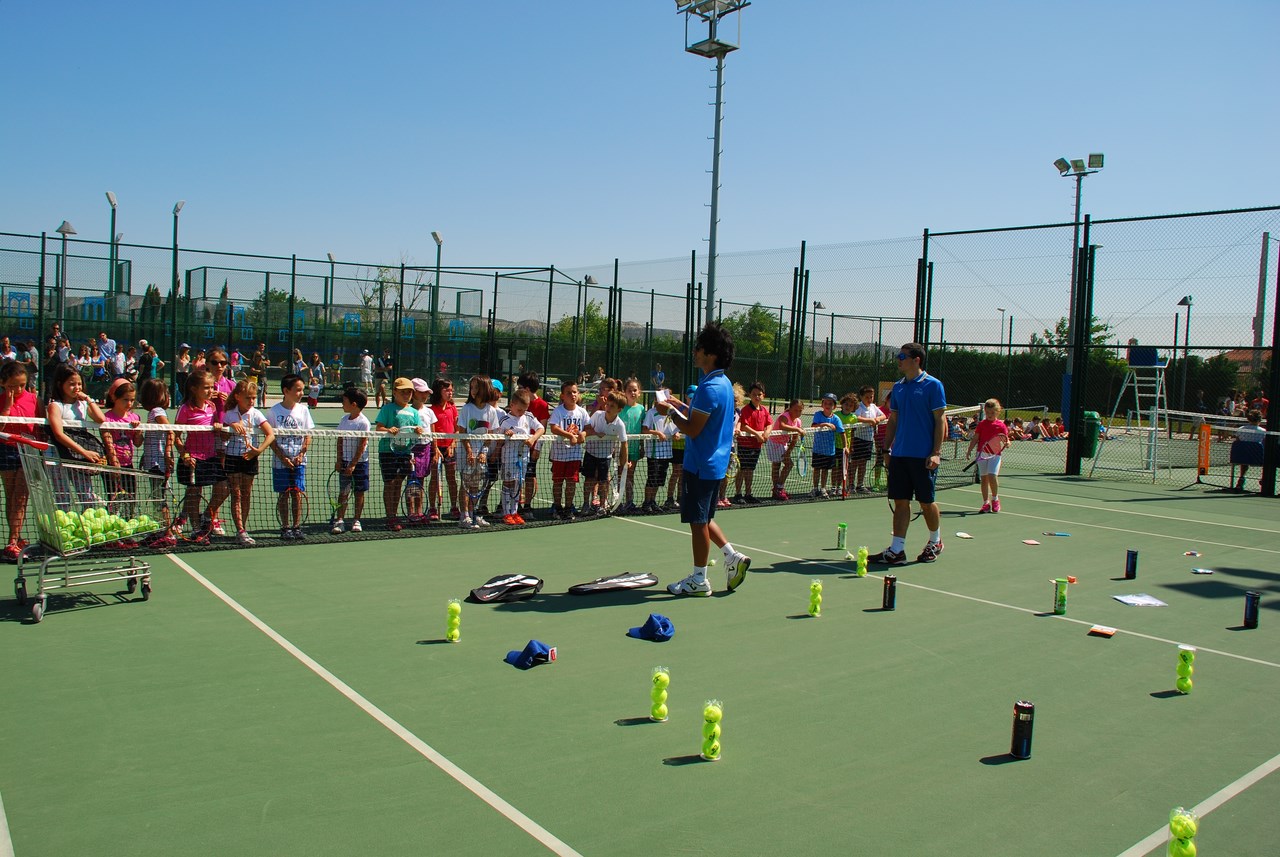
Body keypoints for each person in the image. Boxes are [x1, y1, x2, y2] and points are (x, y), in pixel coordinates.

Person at [658, 323, 751, 597]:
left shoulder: (709, 387)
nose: (694, 352)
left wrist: (668, 412)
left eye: (698, 348)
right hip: (713, 465)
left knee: (698, 523)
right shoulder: (722, 384)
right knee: (705, 517)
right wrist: (679, 405)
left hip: (700, 465)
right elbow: (702, 416)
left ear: (711, 354)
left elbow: (693, 429)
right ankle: (732, 556)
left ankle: (699, 580)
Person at [871, 342, 947, 566]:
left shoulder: (933, 385)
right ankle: (897, 550)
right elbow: (893, 420)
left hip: (923, 456)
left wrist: (936, 452)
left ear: (916, 360)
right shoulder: (898, 387)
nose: (898, 359)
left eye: (902, 356)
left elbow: (940, 420)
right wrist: (886, 449)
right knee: (901, 501)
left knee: (926, 502)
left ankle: (935, 542)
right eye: (898, 356)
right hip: (900, 455)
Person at [46, 363, 108, 508]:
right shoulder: (55, 406)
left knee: (86, 495)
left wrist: (88, 399)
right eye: (72, 384)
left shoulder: (83, 405)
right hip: (57, 455)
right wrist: (84, 452)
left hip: (78, 458)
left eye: (79, 384)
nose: (77, 387)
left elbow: (101, 419)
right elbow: (59, 434)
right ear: (60, 384)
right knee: (62, 496)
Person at [173, 370, 226, 545]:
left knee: (224, 487)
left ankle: (206, 516)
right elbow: (175, 436)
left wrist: (218, 425)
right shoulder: (185, 409)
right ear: (194, 389)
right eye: (206, 388)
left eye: (212, 387)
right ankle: (197, 529)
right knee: (194, 494)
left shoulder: (212, 406)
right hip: (193, 458)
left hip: (211, 457)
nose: (210, 391)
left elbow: (217, 426)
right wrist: (185, 455)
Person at [222, 380, 275, 545]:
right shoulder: (229, 414)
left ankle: (243, 528)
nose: (251, 401)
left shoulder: (257, 414)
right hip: (232, 457)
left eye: (253, 397)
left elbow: (270, 434)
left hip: (250, 457)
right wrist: (231, 426)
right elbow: (223, 437)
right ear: (237, 397)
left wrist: (258, 450)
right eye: (248, 398)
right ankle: (240, 530)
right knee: (236, 494)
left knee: (246, 493)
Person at [268, 374, 315, 541]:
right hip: (280, 463)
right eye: (298, 390)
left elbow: (308, 435)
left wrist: (301, 454)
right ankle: (285, 527)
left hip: (299, 462)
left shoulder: (304, 410)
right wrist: (282, 457)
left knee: (297, 493)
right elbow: (270, 438)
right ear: (286, 391)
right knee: (283, 495)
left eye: (302, 390)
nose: (301, 393)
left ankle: (296, 526)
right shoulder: (273, 411)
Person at [0, 360, 37, 560]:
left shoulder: (34, 400)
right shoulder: (1, 400)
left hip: (28, 451)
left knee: (21, 496)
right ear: (3, 383)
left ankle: (12, 541)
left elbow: (39, 428)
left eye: (22, 385)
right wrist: (7, 407)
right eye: (13, 386)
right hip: (5, 450)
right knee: (11, 495)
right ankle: (16, 538)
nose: (18, 389)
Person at [375, 377, 422, 532]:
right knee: (389, 483)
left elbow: (418, 429)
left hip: (405, 453)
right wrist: (388, 430)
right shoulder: (387, 409)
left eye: (409, 392)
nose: (406, 395)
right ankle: (390, 516)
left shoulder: (414, 412)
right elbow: (379, 428)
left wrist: (419, 430)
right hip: (387, 451)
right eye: (403, 392)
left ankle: (394, 515)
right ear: (394, 392)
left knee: (398, 483)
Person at [101, 379, 142, 546]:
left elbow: (138, 443)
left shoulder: (134, 417)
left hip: (129, 466)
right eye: (125, 400)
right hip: (112, 466)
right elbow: (107, 440)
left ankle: (126, 533)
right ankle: (112, 535)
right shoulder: (107, 417)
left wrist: (138, 431)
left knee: (130, 500)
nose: (129, 404)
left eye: (132, 400)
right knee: (114, 502)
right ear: (114, 398)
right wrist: (114, 461)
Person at [137, 378, 177, 549]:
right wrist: (144, 456)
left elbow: (170, 431)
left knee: (159, 498)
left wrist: (167, 452)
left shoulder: (157, 412)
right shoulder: (153, 413)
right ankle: (162, 529)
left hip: (158, 463)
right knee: (157, 497)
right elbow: (153, 439)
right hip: (152, 461)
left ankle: (168, 533)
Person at [494, 389, 545, 526]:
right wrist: (505, 433)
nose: (522, 412)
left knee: (518, 484)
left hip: (523, 458)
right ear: (512, 405)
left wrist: (533, 438)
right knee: (508, 483)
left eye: (524, 409)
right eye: (519, 410)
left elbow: (541, 429)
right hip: (509, 457)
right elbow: (498, 438)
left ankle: (515, 512)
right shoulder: (504, 420)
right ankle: (506, 513)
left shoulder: (528, 416)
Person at [458, 375, 502, 530]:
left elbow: (490, 436)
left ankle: (474, 513)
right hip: (466, 452)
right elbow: (462, 432)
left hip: (481, 454)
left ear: (485, 388)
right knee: (465, 484)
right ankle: (464, 516)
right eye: (472, 387)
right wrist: (469, 451)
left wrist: (483, 452)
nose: (473, 390)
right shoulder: (467, 409)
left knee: (475, 485)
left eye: (476, 387)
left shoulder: (491, 411)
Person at [546, 380, 588, 520]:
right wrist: (570, 435)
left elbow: (589, 427)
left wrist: (583, 434)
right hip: (559, 454)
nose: (572, 395)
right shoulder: (558, 411)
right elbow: (554, 428)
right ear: (562, 396)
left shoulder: (582, 412)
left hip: (574, 455)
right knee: (558, 482)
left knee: (571, 482)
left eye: (574, 392)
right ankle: (557, 508)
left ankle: (568, 508)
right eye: (569, 393)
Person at [331, 387, 370, 535]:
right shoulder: (343, 420)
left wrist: (353, 464)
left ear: (353, 404)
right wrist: (339, 460)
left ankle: (356, 520)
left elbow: (362, 445)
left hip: (360, 463)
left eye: (344, 401)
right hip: (345, 462)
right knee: (344, 492)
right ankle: (340, 520)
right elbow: (340, 440)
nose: (342, 403)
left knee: (359, 492)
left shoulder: (363, 422)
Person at [967, 399, 1010, 513]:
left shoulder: (1001, 425)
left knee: (992, 476)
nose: (990, 415)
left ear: (997, 412)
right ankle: (986, 503)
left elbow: (1005, 439)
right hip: (982, 453)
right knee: (984, 479)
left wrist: (1007, 443)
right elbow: (976, 438)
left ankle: (995, 499)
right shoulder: (982, 424)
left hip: (995, 455)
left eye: (992, 413)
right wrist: (969, 450)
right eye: (987, 413)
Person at [517, 372, 551, 516]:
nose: (518, 390)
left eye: (520, 387)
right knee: (516, 476)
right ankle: (514, 504)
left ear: (527, 389)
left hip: (532, 448)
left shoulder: (542, 405)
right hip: (516, 448)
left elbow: (542, 428)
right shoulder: (518, 401)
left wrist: (537, 448)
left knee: (530, 477)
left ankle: (527, 506)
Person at [405, 378, 438, 525]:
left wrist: (435, 450)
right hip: (411, 449)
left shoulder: (429, 412)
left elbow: (433, 433)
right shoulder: (407, 411)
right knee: (411, 482)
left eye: (426, 393)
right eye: (421, 392)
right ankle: (411, 512)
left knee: (421, 481)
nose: (425, 395)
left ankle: (419, 512)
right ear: (413, 393)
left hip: (426, 448)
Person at [640, 388, 677, 514]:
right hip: (654, 453)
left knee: (659, 480)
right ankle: (646, 503)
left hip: (666, 453)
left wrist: (676, 433)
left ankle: (653, 501)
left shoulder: (671, 412)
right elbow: (645, 430)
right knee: (652, 479)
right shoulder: (651, 413)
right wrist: (658, 433)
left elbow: (675, 428)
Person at [733, 381, 770, 504]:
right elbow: (744, 426)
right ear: (750, 395)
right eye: (754, 394)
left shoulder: (764, 410)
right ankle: (738, 494)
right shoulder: (746, 410)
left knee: (750, 470)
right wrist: (757, 434)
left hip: (756, 446)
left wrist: (766, 432)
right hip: (745, 445)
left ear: (763, 395)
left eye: (759, 394)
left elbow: (769, 424)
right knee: (742, 469)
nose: (757, 397)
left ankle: (748, 494)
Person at [428, 376, 459, 522]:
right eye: (446, 390)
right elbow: (432, 432)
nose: (450, 392)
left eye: (451, 390)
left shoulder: (453, 408)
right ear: (438, 391)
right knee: (434, 478)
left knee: (451, 478)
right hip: (436, 448)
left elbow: (457, 429)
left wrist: (452, 444)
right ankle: (432, 508)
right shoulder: (431, 410)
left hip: (450, 448)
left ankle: (454, 507)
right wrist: (435, 449)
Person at [850, 385, 887, 493]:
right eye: (867, 397)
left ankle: (860, 485)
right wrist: (870, 420)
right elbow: (856, 417)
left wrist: (877, 419)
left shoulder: (873, 407)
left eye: (871, 397)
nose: (870, 399)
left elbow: (883, 416)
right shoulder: (859, 407)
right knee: (855, 463)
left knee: (863, 463)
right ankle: (851, 485)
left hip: (869, 440)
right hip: (858, 439)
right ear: (861, 397)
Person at [767, 398, 805, 500]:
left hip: (783, 444)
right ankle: (778, 489)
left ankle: (778, 488)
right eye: (795, 410)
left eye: (800, 410)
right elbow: (782, 426)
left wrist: (788, 452)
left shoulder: (798, 422)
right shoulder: (784, 416)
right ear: (790, 408)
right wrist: (797, 429)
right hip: (774, 443)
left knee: (786, 465)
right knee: (778, 466)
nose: (798, 413)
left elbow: (795, 438)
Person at [618, 379, 646, 513]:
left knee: (630, 474)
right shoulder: (621, 407)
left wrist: (642, 446)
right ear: (625, 392)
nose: (632, 393)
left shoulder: (641, 409)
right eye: (629, 390)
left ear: (639, 392)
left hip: (634, 448)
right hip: (621, 448)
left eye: (635, 390)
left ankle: (629, 502)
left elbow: (642, 429)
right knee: (620, 474)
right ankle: (617, 501)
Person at [810, 393, 842, 497]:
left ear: (834, 406)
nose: (828, 405)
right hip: (818, 449)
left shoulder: (836, 419)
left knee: (825, 470)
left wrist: (846, 447)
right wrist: (825, 424)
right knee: (817, 469)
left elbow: (842, 432)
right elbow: (813, 426)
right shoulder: (818, 415)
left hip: (829, 451)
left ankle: (823, 488)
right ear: (822, 404)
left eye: (830, 404)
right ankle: (815, 488)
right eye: (826, 403)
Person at [1232, 409, 1266, 491]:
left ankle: (1241, 478)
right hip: (1258, 457)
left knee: (1244, 457)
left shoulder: (1241, 429)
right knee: (1268, 459)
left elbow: (1238, 442)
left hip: (1242, 457)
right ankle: (1264, 479)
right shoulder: (1263, 431)